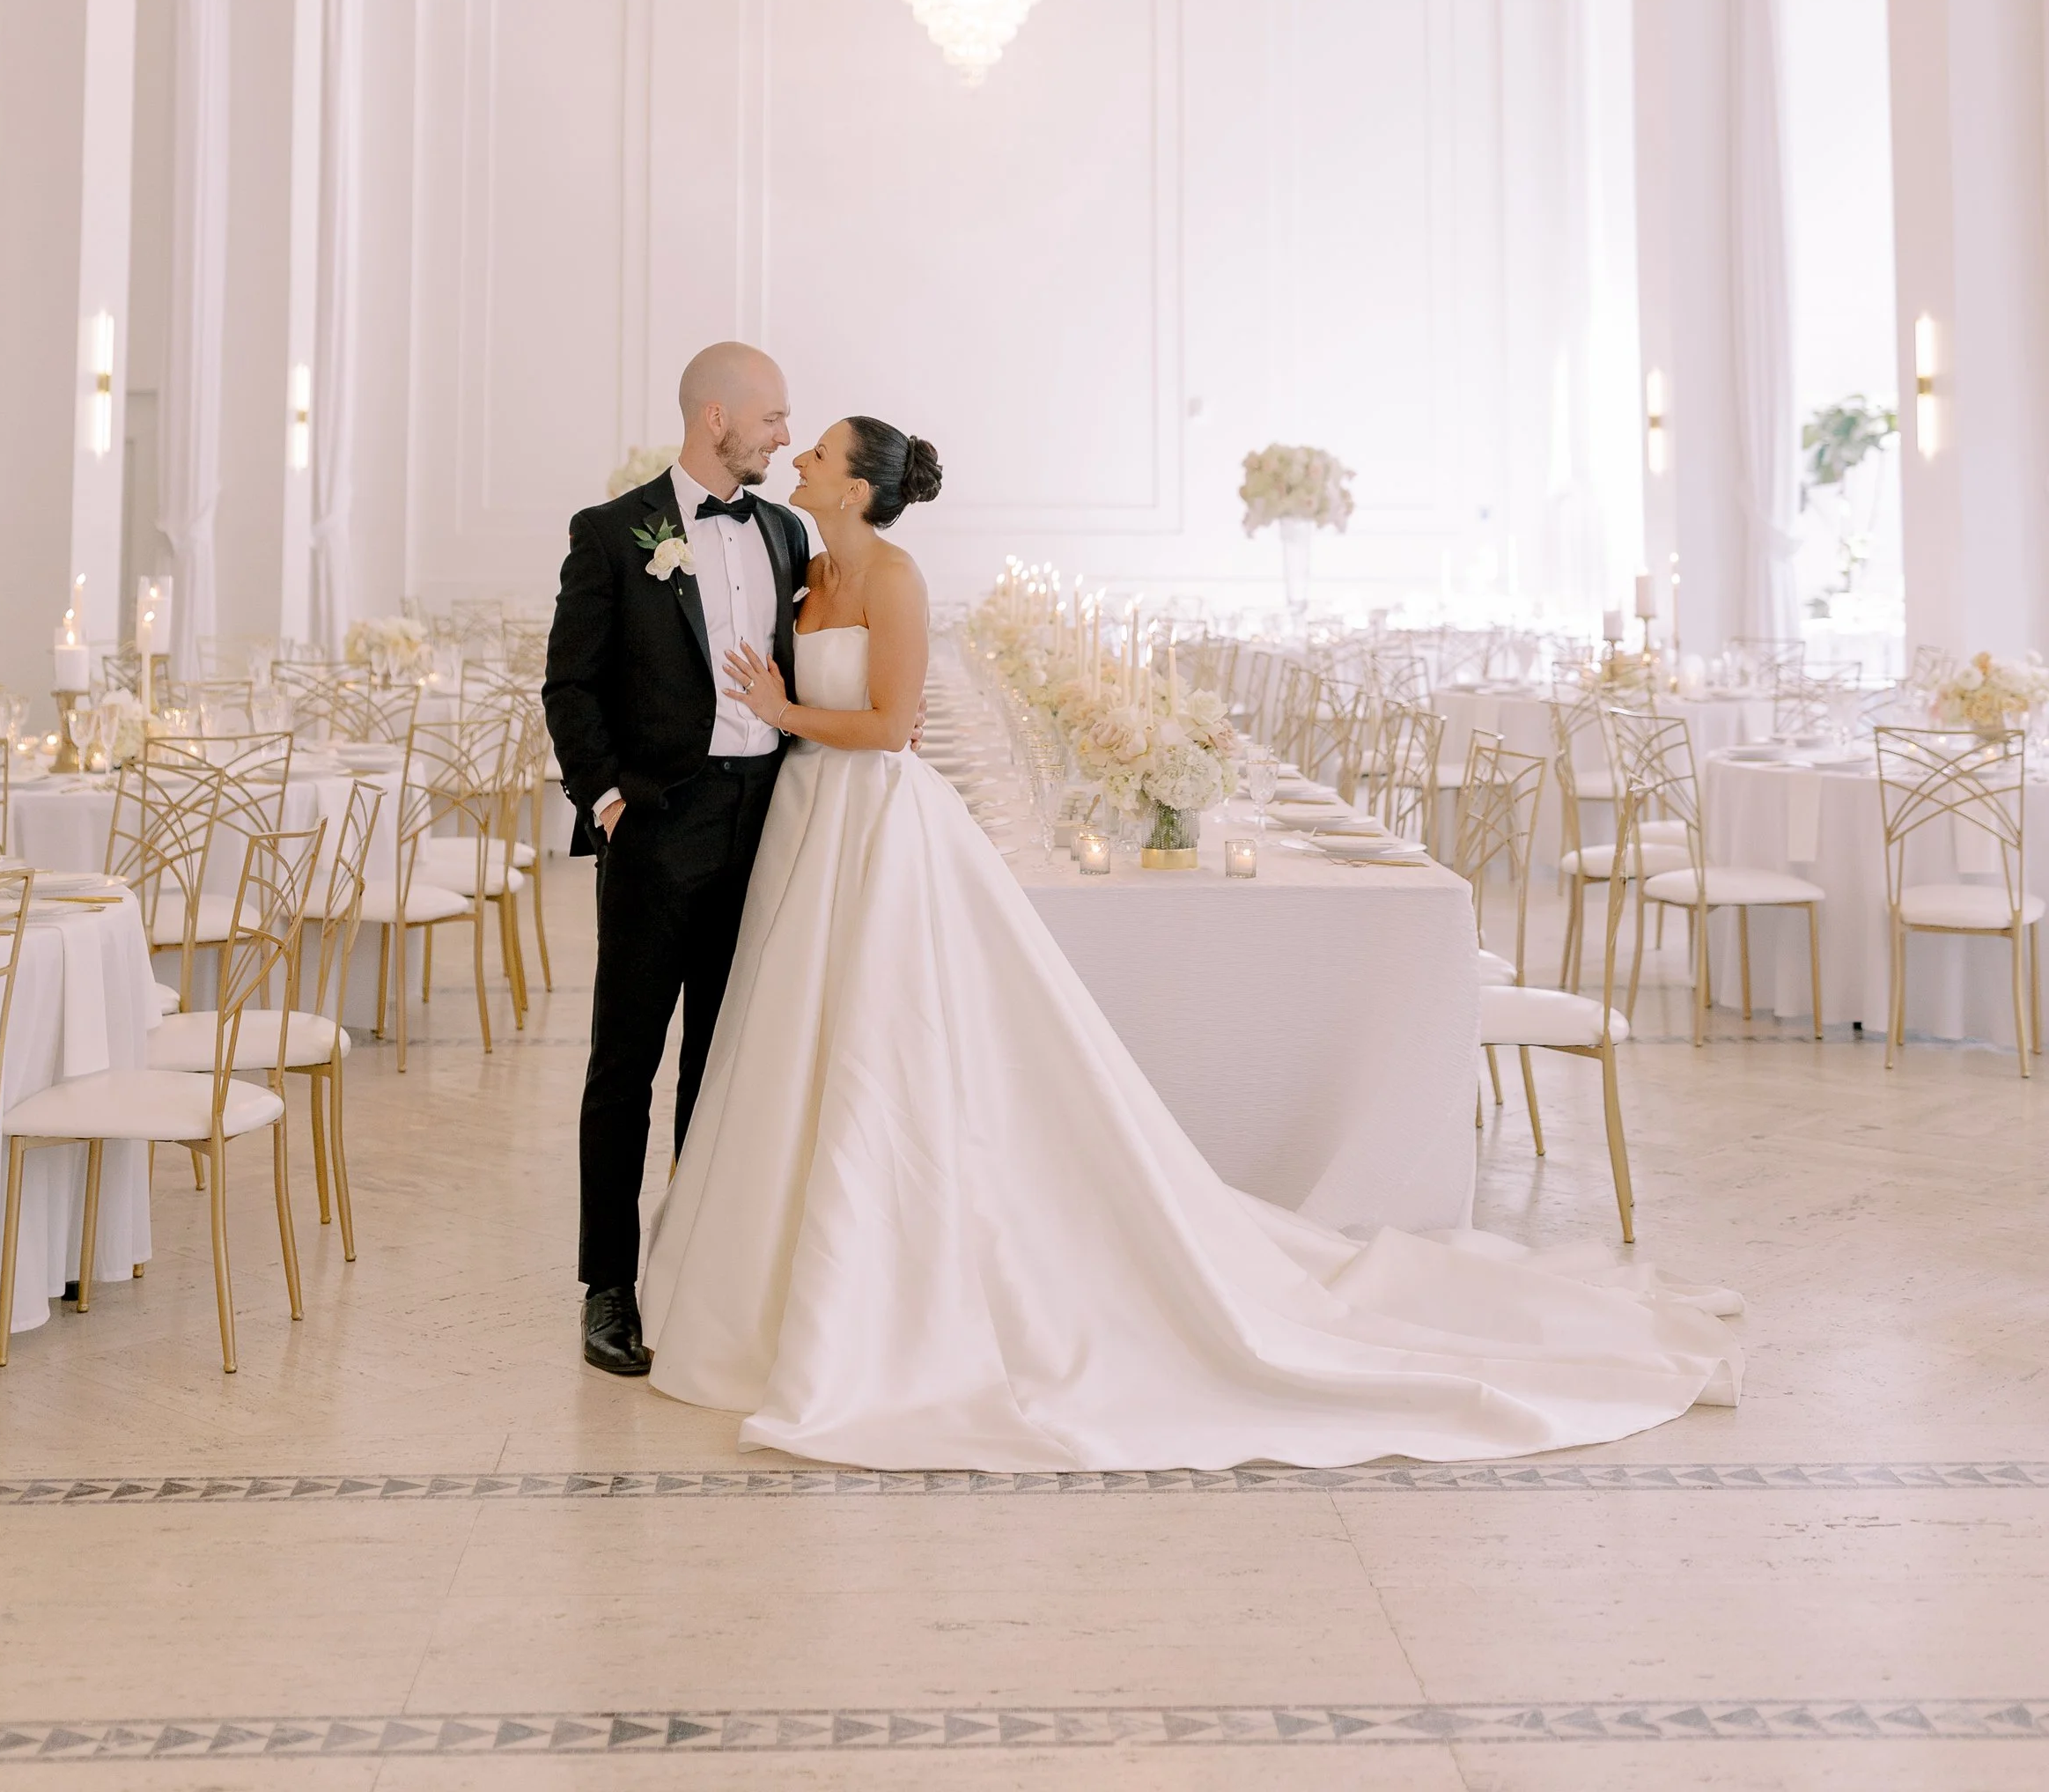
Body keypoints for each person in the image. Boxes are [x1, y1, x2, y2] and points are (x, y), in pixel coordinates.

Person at [636, 411, 1743, 1473]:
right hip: (802, 828)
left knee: (885, 1048)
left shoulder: (894, 579)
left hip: (873, 821)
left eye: (819, 453)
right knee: (792, 1047)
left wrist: (788, 714)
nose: (801, 460)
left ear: (861, 487)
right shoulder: (804, 563)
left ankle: (884, 1291)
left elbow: (889, 727)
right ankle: (768, 1292)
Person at [542, 341, 807, 1379]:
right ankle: (608, 1285)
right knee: (627, 1064)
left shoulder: (785, 531)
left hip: (768, 821)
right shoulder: (613, 534)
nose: (785, 436)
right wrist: (608, 800)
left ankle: (694, 1261)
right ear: (716, 419)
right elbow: (571, 687)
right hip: (658, 824)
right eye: (774, 418)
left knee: (724, 1055)